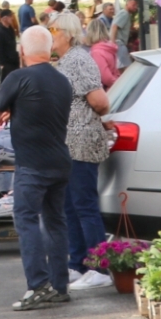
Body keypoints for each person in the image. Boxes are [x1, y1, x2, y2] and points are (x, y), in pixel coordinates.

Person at [0, 26, 74, 311]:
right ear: (50, 51)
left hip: (32, 164)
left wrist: (10, 106)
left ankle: (38, 285)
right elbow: (43, 109)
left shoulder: (18, 76)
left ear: (22, 51)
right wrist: (18, 108)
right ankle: (59, 286)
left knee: (26, 220)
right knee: (56, 222)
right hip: (60, 160)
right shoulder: (62, 81)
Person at [48, 14, 115, 291]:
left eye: (52, 29)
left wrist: (90, 119)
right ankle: (78, 263)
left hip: (81, 141)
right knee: (70, 205)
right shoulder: (66, 61)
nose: (49, 34)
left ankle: (100, 268)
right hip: (68, 142)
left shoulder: (77, 59)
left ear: (66, 33)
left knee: (83, 204)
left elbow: (100, 101)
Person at [85, 18, 120, 89]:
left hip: (108, 91)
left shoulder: (96, 52)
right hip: (114, 87)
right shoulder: (108, 47)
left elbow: (106, 78)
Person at [0, 8, 21, 86]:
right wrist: (2, 64)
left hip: (14, 61)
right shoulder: (0, 32)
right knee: (6, 84)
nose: (12, 18)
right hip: (6, 64)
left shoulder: (11, 29)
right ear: (5, 18)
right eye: (10, 16)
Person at [113, 0, 137, 68]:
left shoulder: (125, 14)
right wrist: (112, 42)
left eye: (136, 5)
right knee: (126, 69)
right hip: (119, 44)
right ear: (127, 4)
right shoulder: (124, 13)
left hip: (120, 44)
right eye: (134, 5)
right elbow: (114, 27)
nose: (135, 7)